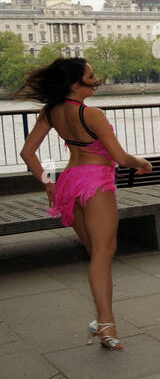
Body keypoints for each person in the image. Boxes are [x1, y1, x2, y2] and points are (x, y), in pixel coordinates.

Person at [18, 57, 152, 350]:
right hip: (95, 183)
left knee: (96, 254)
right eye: (91, 75)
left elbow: (28, 153)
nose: (97, 79)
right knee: (103, 254)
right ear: (75, 83)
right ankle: (106, 325)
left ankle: (102, 320)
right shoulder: (93, 115)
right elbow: (120, 158)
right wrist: (142, 163)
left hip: (68, 183)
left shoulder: (51, 111)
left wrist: (48, 182)